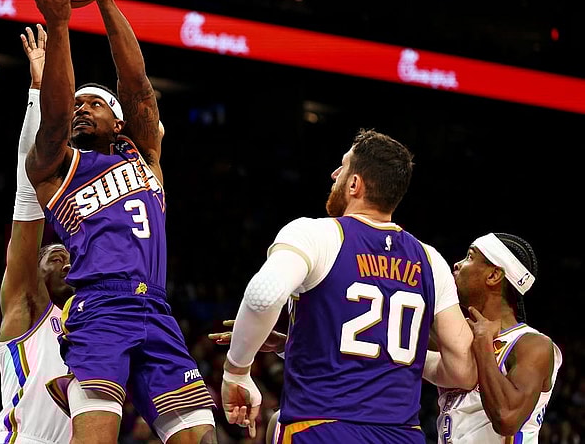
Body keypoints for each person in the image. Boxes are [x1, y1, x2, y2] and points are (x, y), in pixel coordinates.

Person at [29, 0, 216, 442]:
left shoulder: (144, 156)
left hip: (157, 309)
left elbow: (138, 88)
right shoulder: (55, 169)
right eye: (77, 104)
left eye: (94, 104)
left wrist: (106, 2)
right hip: (102, 309)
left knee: (203, 438)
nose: (80, 109)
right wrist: (60, 26)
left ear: (119, 124)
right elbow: (54, 118)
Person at [221, 129, 476, 442]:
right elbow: (463, 370)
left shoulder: (317, 234)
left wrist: (236, 370)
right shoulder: (430, 259)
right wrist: (390, 356)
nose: (334, 174)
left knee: (276, 423)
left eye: (342, 167)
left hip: (322, 428)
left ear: (355, 184)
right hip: (401, 435)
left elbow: (263, 296)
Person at [0, 23, 74, 444]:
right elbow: (27, 191)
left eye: (68, 256)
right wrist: (40, 93)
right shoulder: (26, 306)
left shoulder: (95, 321)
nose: (63, 259)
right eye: (52, 256)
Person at [431, 232, 562, 443]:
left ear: (493, 275)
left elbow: (507, 418)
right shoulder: (458, 333)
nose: (457, 264)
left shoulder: (532, 344)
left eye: (469, 257)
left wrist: (483, 344)